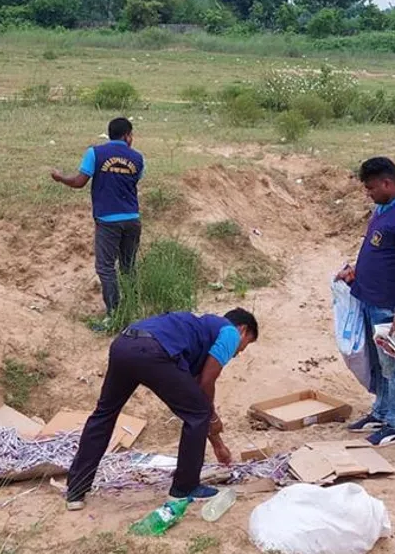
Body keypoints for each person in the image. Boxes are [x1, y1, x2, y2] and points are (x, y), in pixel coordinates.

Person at [64, 308, 259, 510]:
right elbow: (206, 384)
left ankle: (76, 491)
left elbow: (195, 395)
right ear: (242, 330)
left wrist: (217, 444)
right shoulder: (230, 333)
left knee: (104, 414)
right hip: (154, 351)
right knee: (199, 413)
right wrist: (211, 417)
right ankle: (184, 488)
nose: (238, 353)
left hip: (124, 343)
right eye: (244, 346)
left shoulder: (198, 332)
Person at [335, 157, 395, 447]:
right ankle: (381, 412)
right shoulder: (384, 209)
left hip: (389, 306)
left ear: (388, 183)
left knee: (393, 366)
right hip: (369, 299)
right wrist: (356, 273)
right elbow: (378, 253)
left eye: (371, 187)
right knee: (377, 363)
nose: (368, 193)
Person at [51, 118, 144, 330]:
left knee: (105, 267)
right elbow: (134, 181)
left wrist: (60, 178)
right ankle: (133, 310)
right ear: (127, 136)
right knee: (129, 266)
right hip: (132, 219)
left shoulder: (95, 153)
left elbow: (79, 182)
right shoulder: (138, 158)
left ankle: (113, 314)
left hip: (107, 221)